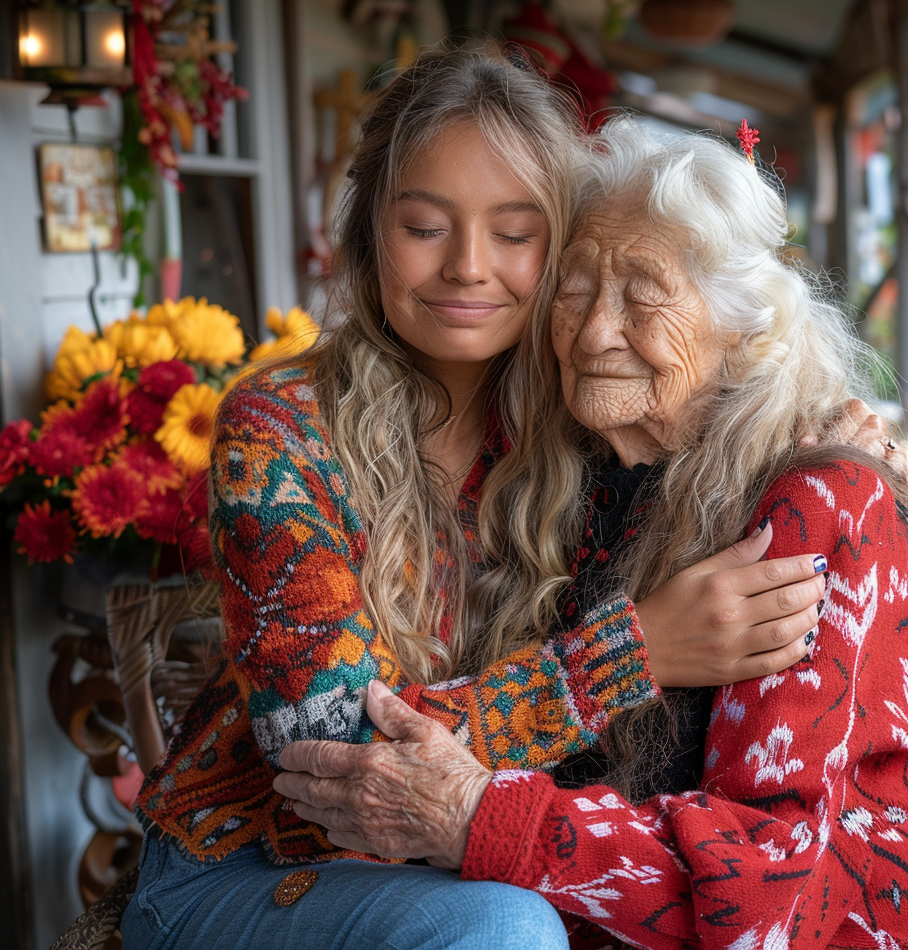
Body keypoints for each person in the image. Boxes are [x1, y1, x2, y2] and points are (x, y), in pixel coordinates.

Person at [121, 49, 836, 950]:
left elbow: (729, 369)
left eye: (514, 232)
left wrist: (834, 442)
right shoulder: (281, 429)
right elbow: (333, 758)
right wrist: (631, 651)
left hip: (462, 858)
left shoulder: (580, 423)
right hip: (244, 868)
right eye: (424, 226)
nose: (468, 266)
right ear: (369, 233)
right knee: (507, 929)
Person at [275, 123, 908, 950]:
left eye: (644, 294)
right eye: (573, 290)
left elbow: (764, 893)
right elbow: (384, 729)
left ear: (745, 329)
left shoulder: (809, 503)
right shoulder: (554, 479)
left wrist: (480, 819)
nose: (595, 332)